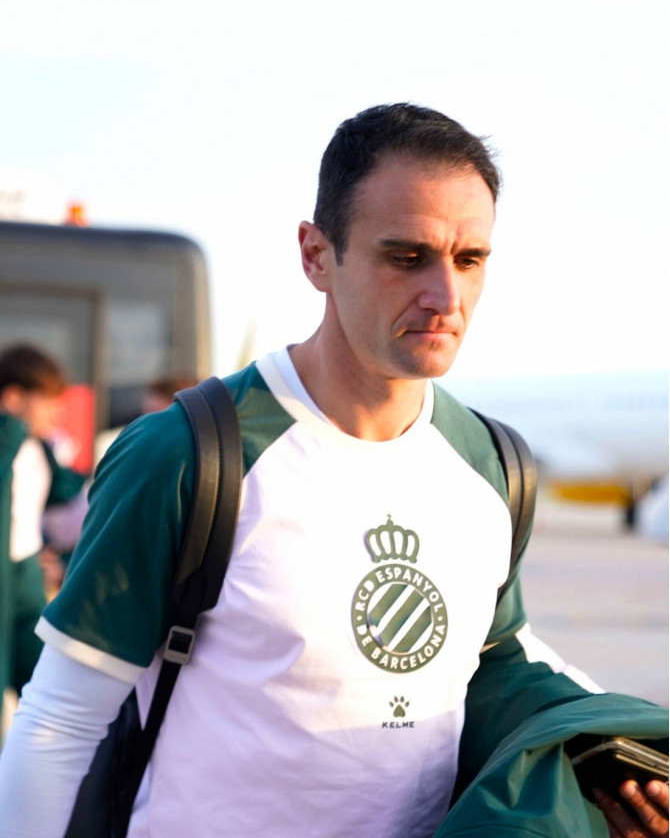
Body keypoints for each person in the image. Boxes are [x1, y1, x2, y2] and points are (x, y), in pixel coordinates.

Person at [0, 105, 666, 837]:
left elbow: (499, 657)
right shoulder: (189, 454)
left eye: (469, 260)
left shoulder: (491, 465)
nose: (445, 297)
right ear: (316, 255)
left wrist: (618, 758)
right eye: (406, 257)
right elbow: (59, 720)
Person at [0, 344, 86, 734]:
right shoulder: (10, 442)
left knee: (43, 685)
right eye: (47, 402)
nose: (56, 413)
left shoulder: (41, 449)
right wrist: (12, 427)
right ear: (13, 397)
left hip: (27, 577)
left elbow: (68, 498)